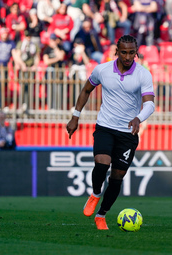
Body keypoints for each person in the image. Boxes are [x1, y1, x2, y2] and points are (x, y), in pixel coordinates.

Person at [66, 35, 155, 230]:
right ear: (117, 51)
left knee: (117, 176)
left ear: (136, 52)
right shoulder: (102, 70)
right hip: (105, 127)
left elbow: (150, 103)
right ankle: (96, 193)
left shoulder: (143, 74)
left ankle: (101, 215)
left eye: (132, 52)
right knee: (101, 162)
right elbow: (86, 90)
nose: (128, 56)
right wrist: (75, 116)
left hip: (127, 133)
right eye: (124, 52)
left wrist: (139, 118)